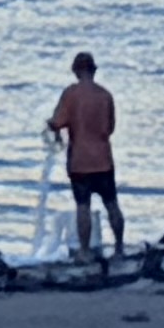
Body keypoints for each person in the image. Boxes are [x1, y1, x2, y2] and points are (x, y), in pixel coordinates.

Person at [43, 54, 128, 263]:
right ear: (93, 70)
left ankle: (84, 251)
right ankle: (119, 248)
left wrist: (51, 125)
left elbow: (57, 122)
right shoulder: (105, 95)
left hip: (80, 162)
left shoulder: (71, 94)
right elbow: (110, 128)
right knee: (112, 204)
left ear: (76, 71)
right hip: (103, 159)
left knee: (83, 206)